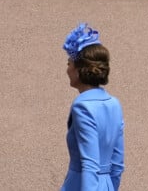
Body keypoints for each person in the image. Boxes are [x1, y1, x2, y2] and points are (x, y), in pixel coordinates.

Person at [60, 23, 124, 191]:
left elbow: (89, 163)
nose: (67, 70)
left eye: (69, 64)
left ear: (80, 70)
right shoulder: (114, 104)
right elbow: (117, 163)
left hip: (81, 185)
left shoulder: (82, 106)